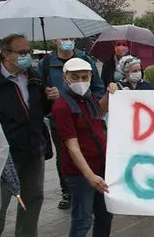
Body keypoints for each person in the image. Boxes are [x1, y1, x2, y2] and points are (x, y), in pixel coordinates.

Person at [51, 58, 130, 237]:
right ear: (65, 78)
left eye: (85, 77)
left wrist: (110, 94)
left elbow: (100, 111)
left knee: (105, 214)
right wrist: (89, 176)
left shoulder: (88, 99)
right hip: (80, 173)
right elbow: (72, 146)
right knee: (82, 219)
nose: (80, 81)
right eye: (75, 77)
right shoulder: (62, 106)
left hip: (100, 166)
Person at [0, 34, 51, 237]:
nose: (27, 56)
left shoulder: (33, 77)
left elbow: (41, 109)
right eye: (22, 52)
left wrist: (49, 98)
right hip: (4, 150)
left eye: (29, 52)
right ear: (6, 54)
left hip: (33, 146)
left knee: (33, 196)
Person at [38, 37, 105, 210]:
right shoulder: (46, 63)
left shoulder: (86, 59)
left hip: (87, 116)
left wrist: (91, 104)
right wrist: (48, 95)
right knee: (65, 153)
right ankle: (67, 190)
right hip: (60, 118)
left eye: (71, 38)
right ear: (55, 41)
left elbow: (98, 88)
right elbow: (37, 91)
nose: (68, 41)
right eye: (75, 77)